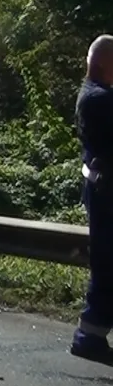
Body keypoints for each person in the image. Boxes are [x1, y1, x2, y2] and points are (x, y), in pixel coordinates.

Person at [73, 34, 113, 365]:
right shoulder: (99, 99)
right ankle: (90, 336)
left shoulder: (97, 96)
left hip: (103, 191)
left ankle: (92, 333)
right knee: (107, 263)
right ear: (103, 63)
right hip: (106, 194)